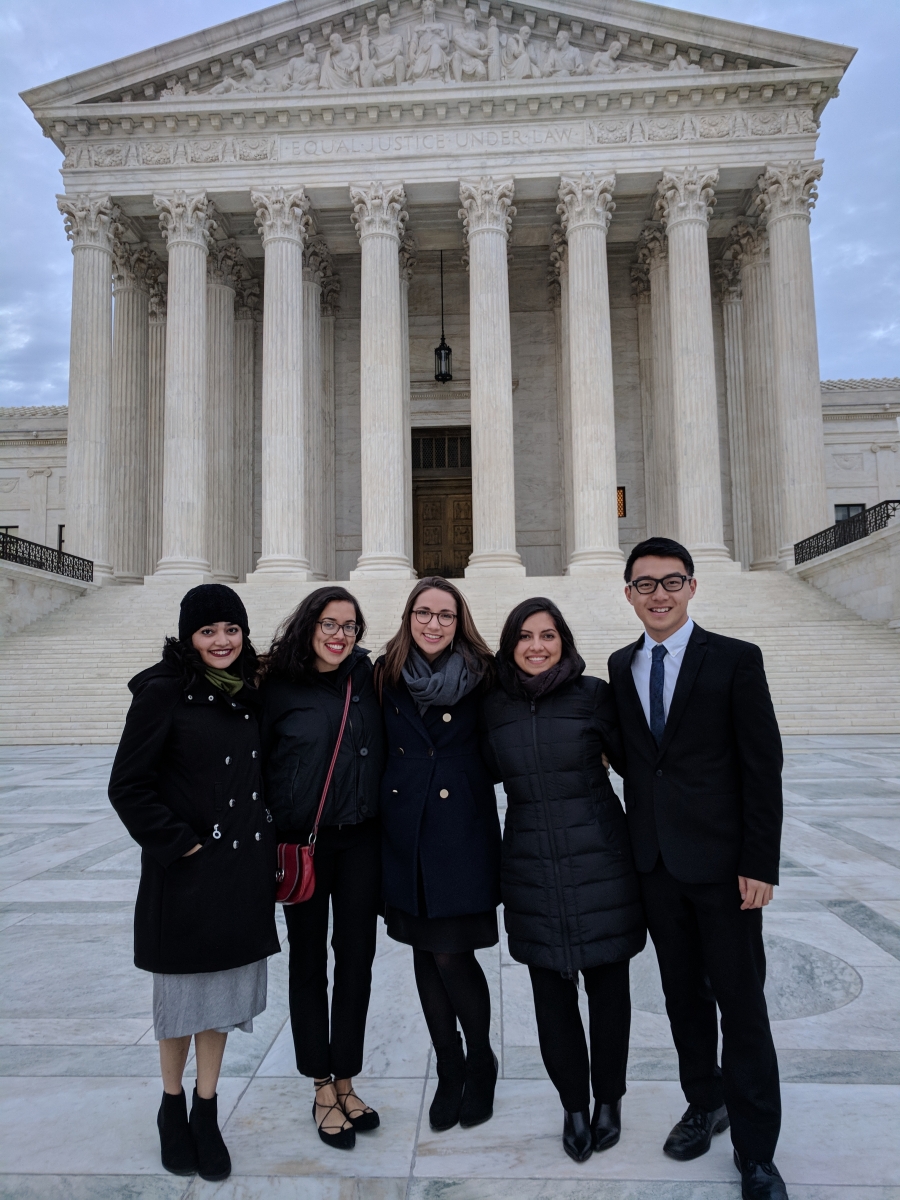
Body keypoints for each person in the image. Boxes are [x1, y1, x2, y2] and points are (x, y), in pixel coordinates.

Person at [607, 537, 787, 1200]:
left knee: (741, 1007)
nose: (658, 594)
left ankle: (757, 1152)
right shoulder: (621, 665)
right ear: (628, 594)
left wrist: (759, 862)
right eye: (646, 584)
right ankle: (703, 1102)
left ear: (691, 587)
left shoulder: (736, 660)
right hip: (655, 867)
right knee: (683, 999)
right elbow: (639, 760)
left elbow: (761, 767)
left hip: (724, 870)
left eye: (671, 581)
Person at [108, 584, 279, 1183]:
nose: (222, 641)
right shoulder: (161, 695)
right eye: (208, 631)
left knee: (221, 1001)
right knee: (181, 1001)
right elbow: (127, 786)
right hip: (186, 875)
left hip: (240, 876)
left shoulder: (253, 693)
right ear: (189, 637)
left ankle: (206, 1109)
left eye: (231, 629)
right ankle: (171, 1103)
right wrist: (182, 844)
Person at [481, 598, 645, 1163]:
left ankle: (609, 1100)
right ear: (509, 645)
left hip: (600, 859)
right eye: (525, 636)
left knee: (609, 994)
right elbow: (483, 771)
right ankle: (573, 1104)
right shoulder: (494, 707)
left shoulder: (595, 695)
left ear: (564, 641)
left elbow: (640, 766)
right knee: (551, 998)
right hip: (529, 864)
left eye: (548, 635)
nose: (536, 646)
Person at [260, 586, 385, 1150]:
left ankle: (347, 1077)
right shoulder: (278, 686)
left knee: (357, 961)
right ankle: (319, 1084)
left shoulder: (370, 680)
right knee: (309, 964)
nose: (340, 636)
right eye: (330, 624)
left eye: (350, 626)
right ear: (310, 625)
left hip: (360, 841)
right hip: (303, 846)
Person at [377, 577, 500, 1132]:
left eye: (445, 615)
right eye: (423, 613)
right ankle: (449, 1067)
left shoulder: (484, 674)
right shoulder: (384, 675)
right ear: (408, 617)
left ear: (459, 621)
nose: (433, 624)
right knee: (424, 955)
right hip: (405, 833)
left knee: (453, 954)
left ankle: (481, 1061)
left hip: (461, 833)